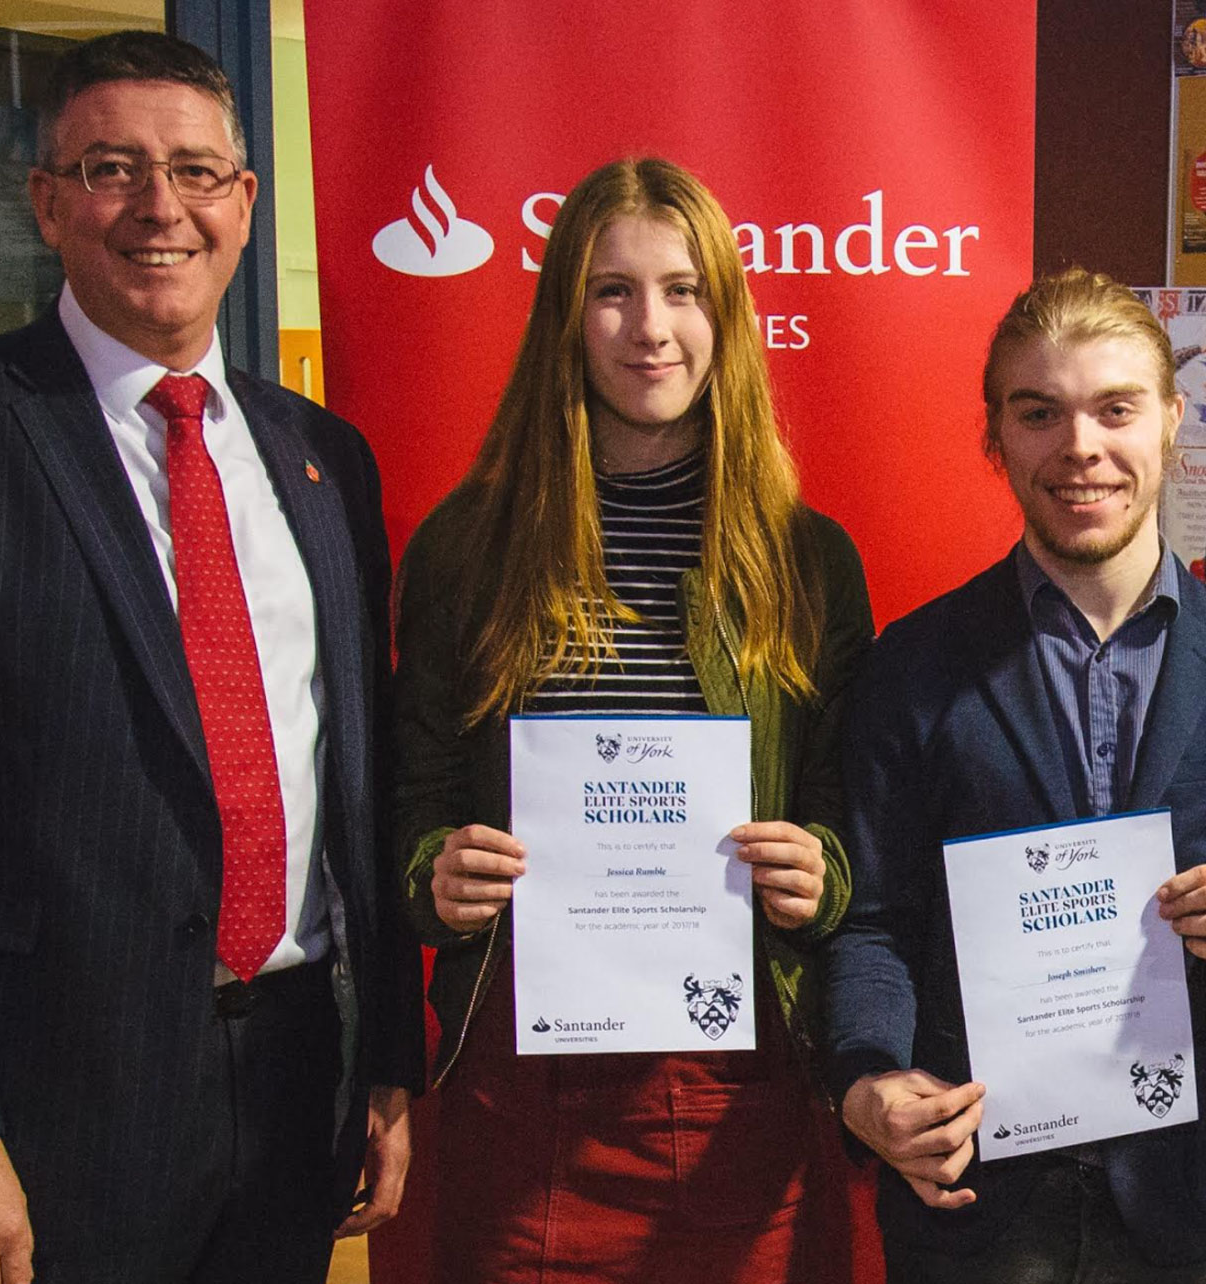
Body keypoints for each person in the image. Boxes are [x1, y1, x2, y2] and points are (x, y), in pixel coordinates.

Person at [0, 29, 419, 1284]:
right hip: (48, 1104)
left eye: (194, 171)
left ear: (244, 201)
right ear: (46, 201)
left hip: (298, 1076)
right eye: (111, 168)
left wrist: (386, 1058)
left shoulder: (325, 456)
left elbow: (357, 776)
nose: (159, 206)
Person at [390, 156, 873, 1282]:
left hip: (740, 1081)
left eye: (682, 290)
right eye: (612, 291)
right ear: (565, 315)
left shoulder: (805, 559)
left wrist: (823, 872)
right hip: (526, 1088)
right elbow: (412, 800)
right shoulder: (467, 548)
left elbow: (848, 811)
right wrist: (435, 874)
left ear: (725, 316)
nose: (650, 328)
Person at [825, 267, 1206, 1282]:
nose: (1079, 446)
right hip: (972, 1198)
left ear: (1172, 421)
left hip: (1178, 1199)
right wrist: (867, 1078)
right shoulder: (908, 668)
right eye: (1039, 411)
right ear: (995, 438)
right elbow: (870, 919)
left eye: (1115, 408)